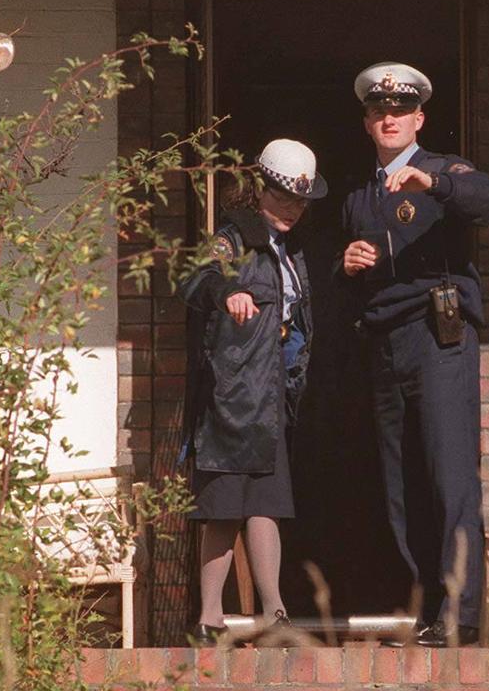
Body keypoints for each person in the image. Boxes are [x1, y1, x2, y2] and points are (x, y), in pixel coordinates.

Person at [339, 62, 489, 647]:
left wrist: (432, 185)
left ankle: (462, 616)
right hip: (387, 344)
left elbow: (488, 197)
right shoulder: (359, 195)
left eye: (400, 110)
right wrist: (348, 266)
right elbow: (357, 282)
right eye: (379, 111)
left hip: (440, 339)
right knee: (402, 485)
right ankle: (433, 610)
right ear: (367, 121)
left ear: (418, 119)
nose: (390, 117)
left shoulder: (441, 170)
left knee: (449, 477)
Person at [180, 138, 326, 646]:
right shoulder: (233, 237)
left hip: (270, 397)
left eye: (300, 201)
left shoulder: (292, 251)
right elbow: (193, 280)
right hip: (231, 397)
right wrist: (228, 292)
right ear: (261, 189)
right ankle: (210, 615)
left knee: (266, 504)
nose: (293, 209)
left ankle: (275, 612)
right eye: (284, 197)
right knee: (223, 508)